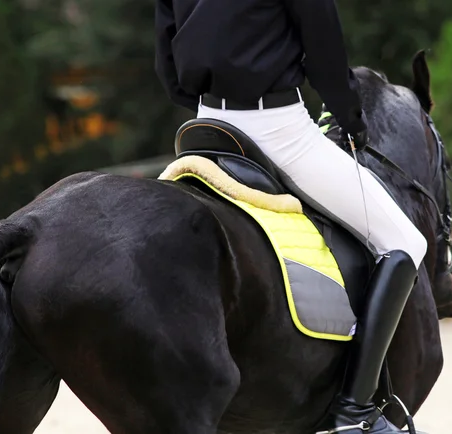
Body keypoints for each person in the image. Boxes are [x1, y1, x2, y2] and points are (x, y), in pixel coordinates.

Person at [155, 0, 428, 432]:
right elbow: (323, 46)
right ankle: (353, 413)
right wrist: (349, 116)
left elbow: (167, 62)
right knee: (406, 242)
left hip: (205, 126)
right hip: (277, 129)